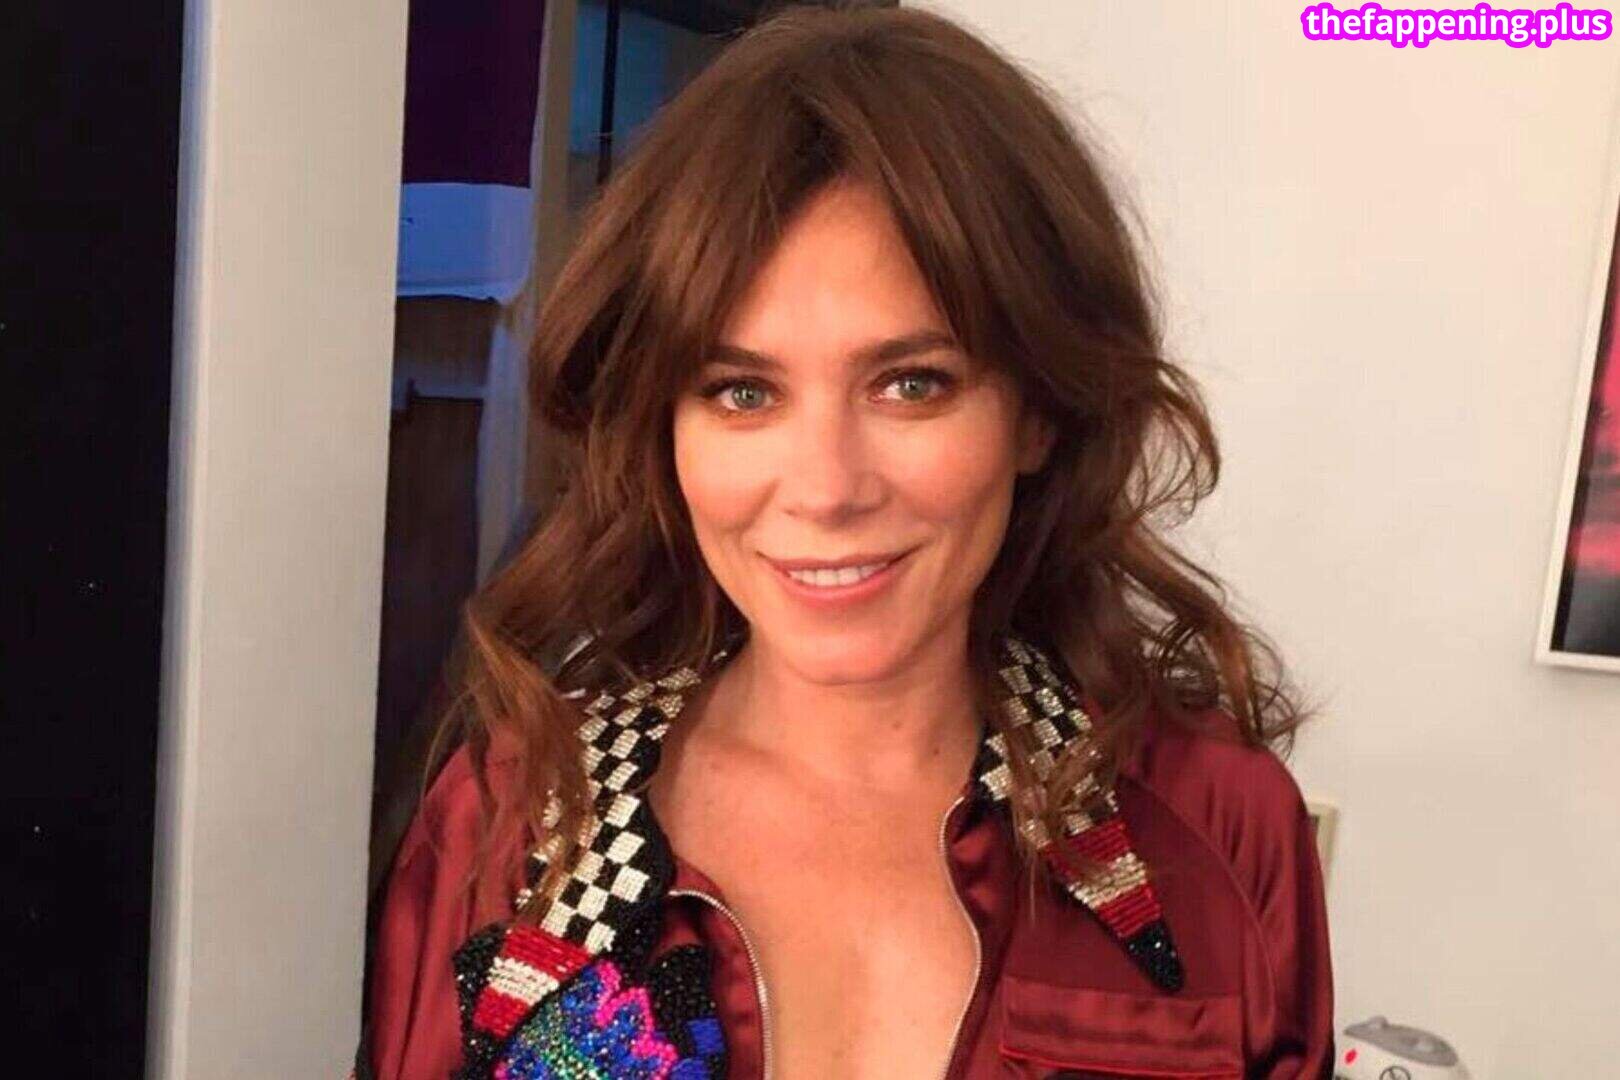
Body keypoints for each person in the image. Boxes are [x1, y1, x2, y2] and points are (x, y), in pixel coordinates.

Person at [357, 5, 1334, 1078]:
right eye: (742, 392)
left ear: (1039, 411)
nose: (825, 489)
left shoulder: (1216, 827)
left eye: (912, 384)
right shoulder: (516, 817)